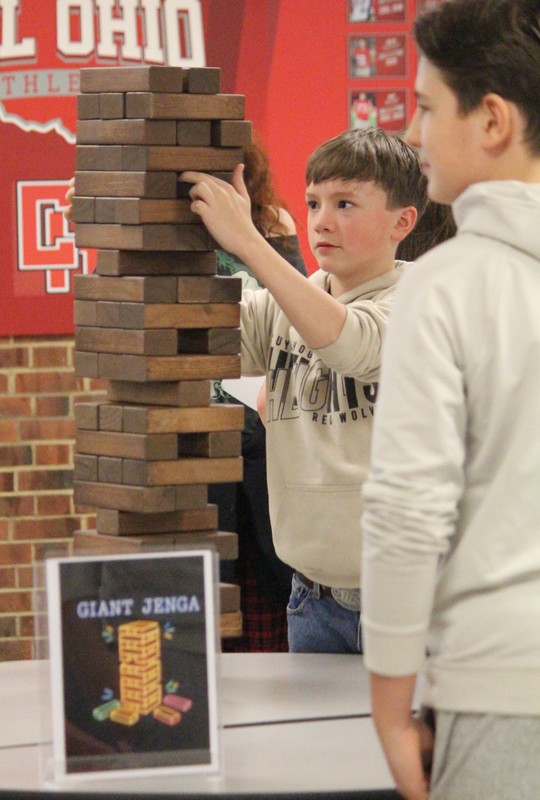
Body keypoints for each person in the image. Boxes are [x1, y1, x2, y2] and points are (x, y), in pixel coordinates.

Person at [360, 1, 540, 798]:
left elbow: (406, 509)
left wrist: (392, 709)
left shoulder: (445, 285)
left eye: (427, 107)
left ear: (493, 119)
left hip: (503, 691)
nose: (415, 131)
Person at [181, 126, 428, 653]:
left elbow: (348, 341)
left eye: (345, 204)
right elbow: (190, 333)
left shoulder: (422, 302)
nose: (322, 221)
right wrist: (121, 237)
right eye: (314, 202)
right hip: (311, 600)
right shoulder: (287, 305)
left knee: (410, 739)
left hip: (408, 606)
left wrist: (247, 238)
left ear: (402, 222)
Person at [64, 139, 307, 654]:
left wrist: (249, 237)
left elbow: (298, 310)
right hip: (188, 433)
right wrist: (102, 221)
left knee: (274, 575)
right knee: (201, 582)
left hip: (260, 431)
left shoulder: (271, 223)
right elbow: (131, 314)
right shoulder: (154, 231)